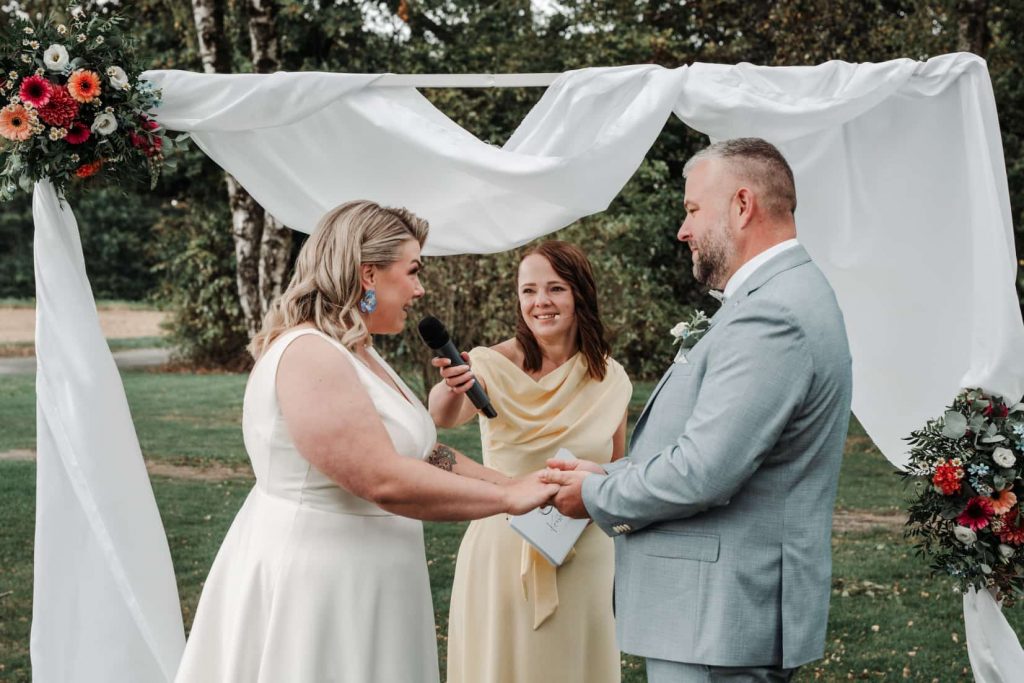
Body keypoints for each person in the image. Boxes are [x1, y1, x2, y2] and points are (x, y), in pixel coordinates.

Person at [173, 200, 558, 683]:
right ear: (368, 274)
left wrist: (518, 484)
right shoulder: (310, 353)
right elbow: (382, 479)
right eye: (413, 271)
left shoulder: (359, 352)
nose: (419, 289)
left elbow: (425, 455)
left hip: (373, 580)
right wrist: (507, 499)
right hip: (321, 589)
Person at [544, 138, 853, 682]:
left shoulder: (772, 314)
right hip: (711, 615)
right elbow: (710, 445)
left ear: (742, 205)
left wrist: (594, 495)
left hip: (719, 618)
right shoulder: (776, 297)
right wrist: (610, 473)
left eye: (692, 210)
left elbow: (704, 472)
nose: (683, 230)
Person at [428, 240, 633, 683]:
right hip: (502, 550)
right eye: (529, 290)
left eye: (555, 288)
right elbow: (442, 419)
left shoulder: (612, 378)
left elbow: (616, 468)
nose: (541, 302)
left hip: (584, 557)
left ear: (580, 293)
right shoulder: (489, 364)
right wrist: (451, 384)